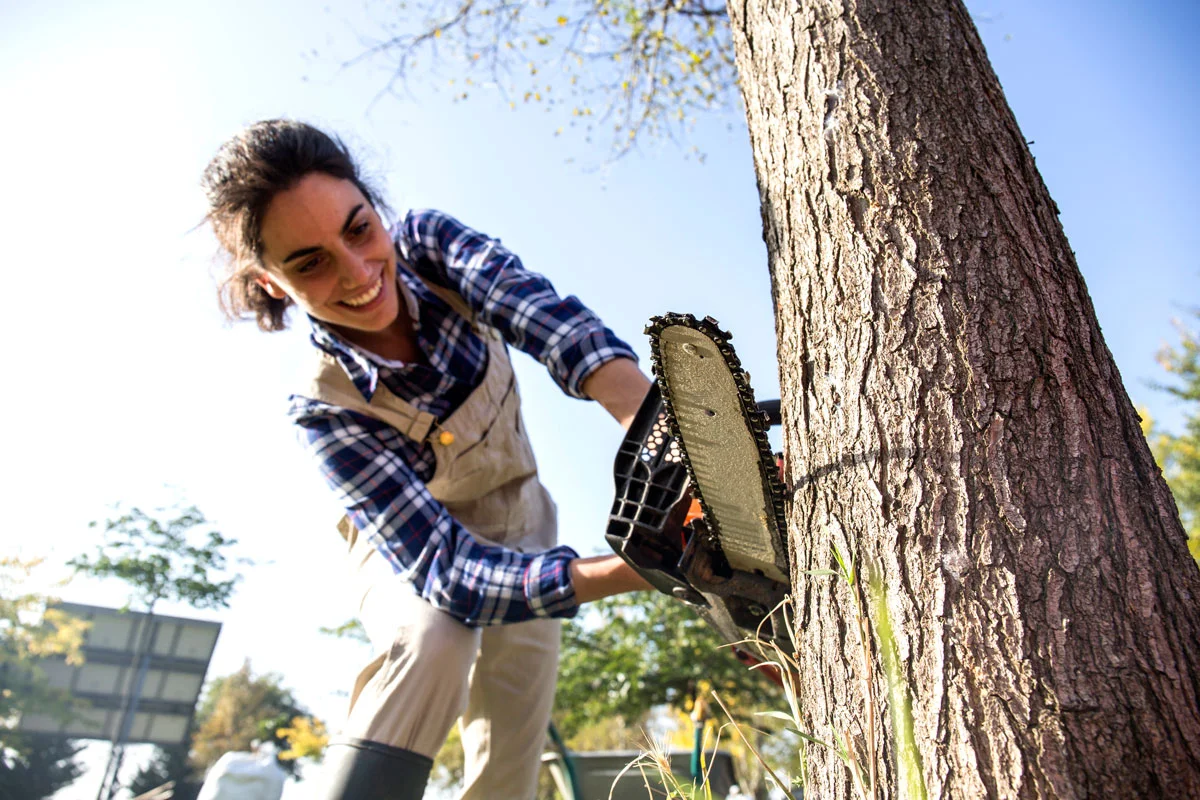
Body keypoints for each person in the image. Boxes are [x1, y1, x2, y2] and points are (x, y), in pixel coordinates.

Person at [201, 119, 653, 799]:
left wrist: (660, 432)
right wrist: (638, 568)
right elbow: (445, 571)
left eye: (359, 230)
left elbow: (540, 314)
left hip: (522, 517)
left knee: (510, 752)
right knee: (436, 636)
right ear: (269, 282)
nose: (358, 274)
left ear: (375, 210)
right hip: (403, 546)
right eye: (309, 262)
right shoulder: (324, 407)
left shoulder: (432, 246)